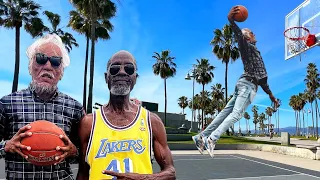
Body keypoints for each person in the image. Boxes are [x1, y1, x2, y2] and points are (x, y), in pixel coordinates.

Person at [192, 6, 279, 158]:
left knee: (225, 112)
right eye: (251, 32)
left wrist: (271, 95)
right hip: (248, 86)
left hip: (243, 84)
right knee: (237, 114)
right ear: (247, 37)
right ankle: (212, 139)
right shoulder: (247, 46)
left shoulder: (253, 51)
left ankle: (201, 136)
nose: (254, 34)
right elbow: (239, 36)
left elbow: (263, 80)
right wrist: (231, 20)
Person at [76, 50, 176, 180]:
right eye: (115, 68)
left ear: (135, 77)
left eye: (129, 69)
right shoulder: (89, 123)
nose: (122, 72)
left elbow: (170, 172)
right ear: (107, 77)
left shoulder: (151, 121)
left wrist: (143, 178)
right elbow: (83, 173)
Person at [0, 34, 85, 179]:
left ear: (61, 72)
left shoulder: (75, 108)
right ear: (30, 66)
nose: (47, 66)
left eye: (56, 62)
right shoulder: (7, 103)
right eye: (40, 59)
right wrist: (6, 146)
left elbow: (86, 153)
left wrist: (74, 151)